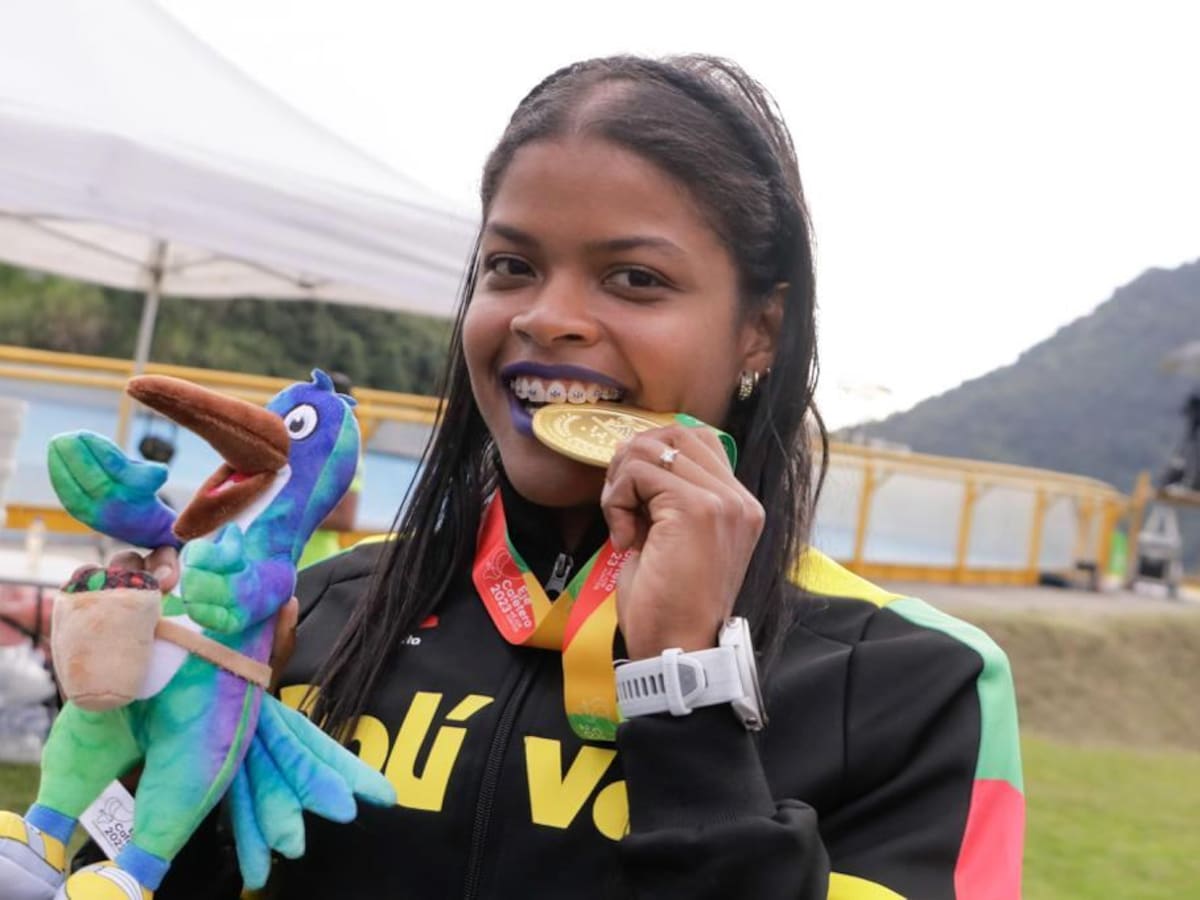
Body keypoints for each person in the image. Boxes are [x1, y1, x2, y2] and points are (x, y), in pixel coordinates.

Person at [82, 55, 1023, 898]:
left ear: (759, 333)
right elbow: (111, 867)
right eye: (510, 266)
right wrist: (164, 706)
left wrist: (685, 687)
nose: (548, 316)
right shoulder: (327, 606)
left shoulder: (916, 681)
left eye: (635, 280)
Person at [297, 371, 364, 568]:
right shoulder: (298, 446)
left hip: (314, 567)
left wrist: (289, 511)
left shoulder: (347, 454)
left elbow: (345, 519)